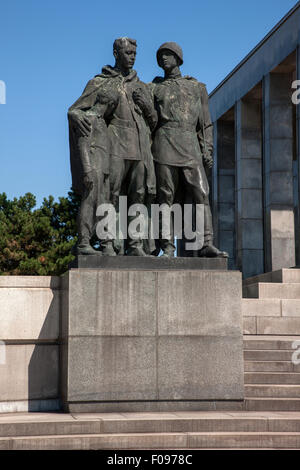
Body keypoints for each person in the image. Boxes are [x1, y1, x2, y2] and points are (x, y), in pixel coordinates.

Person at [151, 42, 228, 258]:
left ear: (178, 58)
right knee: (165, 196)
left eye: (168, 55)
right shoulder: (154, 88)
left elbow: (205, 123)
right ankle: (168, 246)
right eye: (161, 56)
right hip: (164, 144)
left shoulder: (196, 87)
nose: (164, 59)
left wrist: (208, 149)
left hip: (190, 145)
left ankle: (206, 243)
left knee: (201, 193)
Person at [98, 37, 157, 256]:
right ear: (116, 53)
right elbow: (93, 116)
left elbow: (154, 122)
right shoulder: (103, 81)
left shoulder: (141, 86)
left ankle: (135, 245)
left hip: (139, 146)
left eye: (134, 53)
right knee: (110, 195)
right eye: (127, 53)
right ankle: (106, 244)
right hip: (115, 142)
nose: (131, 57)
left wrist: (147, 106)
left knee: (138, 196)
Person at [68, 82, 118, 256]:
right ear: (109, 104)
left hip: (103, 168)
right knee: (89, 202)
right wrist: (87, 170)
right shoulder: (88, 118)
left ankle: (103, 241)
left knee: (104, 204)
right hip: (93, 165)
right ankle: (83, 242)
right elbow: (83, 145)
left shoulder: (102, 122)